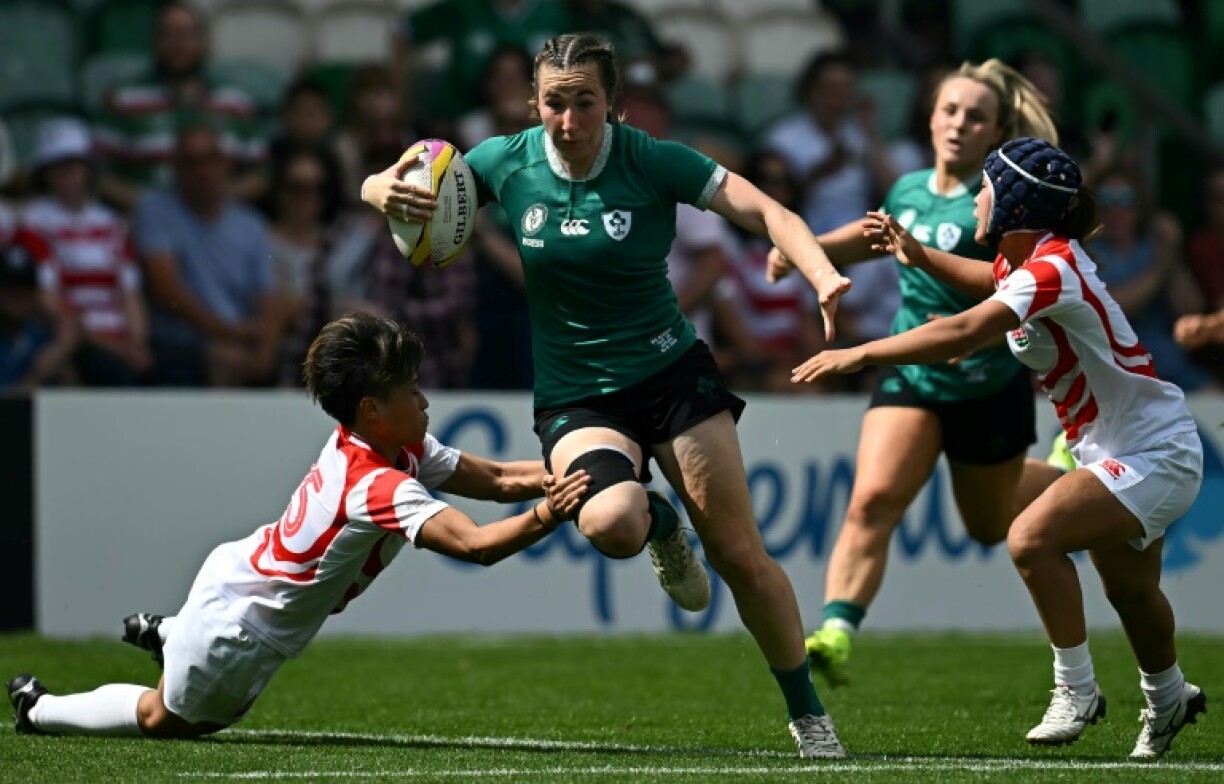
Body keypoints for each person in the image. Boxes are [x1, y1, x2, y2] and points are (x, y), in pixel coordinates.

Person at [360, 33, 853, 758]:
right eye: (554, 103)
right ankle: (659, 525)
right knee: (612, 523)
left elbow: (766, 211)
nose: (568, 119)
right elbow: (388, 182)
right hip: (577, 394)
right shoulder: (505, 160)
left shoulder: (651, 159)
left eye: (584, 102)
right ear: (534, 103)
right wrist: (384, 188)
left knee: (739, 554)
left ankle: (808, 714)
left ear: (613, 105)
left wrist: (822, 274)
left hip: (672, 374)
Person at [795, 137, 1207, 760]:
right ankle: (1170, 696)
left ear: (1013, 202)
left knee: (1029, 538)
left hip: (1156, 450)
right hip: (1117, 447)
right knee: (1132, 593)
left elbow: (964, 326)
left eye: (985, 189)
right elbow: (983, 281)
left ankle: (1077, 690)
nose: (976, 201)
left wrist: (860, 354)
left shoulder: (1051, 268)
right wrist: (920, 256)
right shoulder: (1028, 262)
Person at [7, 313, 591, 739]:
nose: (424, 399)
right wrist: (552, 511)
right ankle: (40, 711)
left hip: (234, 572)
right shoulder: (376, 485)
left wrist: (585, 468)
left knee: (179, 686)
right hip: (238, 636)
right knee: (166, 720)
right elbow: (477, 545)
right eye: (409, 390)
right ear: (371, 408)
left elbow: (494, 477)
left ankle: (167, 634)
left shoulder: (380, 443)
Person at [768, 59, 1061, 686]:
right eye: (949, 110)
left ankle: (1059, 475)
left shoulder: (1003, 204)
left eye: (974, 115)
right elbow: (872, 236)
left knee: (988, 526)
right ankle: (836, 632)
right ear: (930, 118)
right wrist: (799, 253)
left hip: (988, 384)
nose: (959, 123)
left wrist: (970, 327)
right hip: (912, 374)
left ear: (996, 130)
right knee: (872, 500)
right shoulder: (908, 188)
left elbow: (1011, 283)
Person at [134, 125, 278, 387]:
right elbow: (165, 289)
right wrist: (224, 331)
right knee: (221, 358)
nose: (201, 171)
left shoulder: (252, 225)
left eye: (208, 160)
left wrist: (265, 353)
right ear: (176, 169)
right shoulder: (155, 209)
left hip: (239, 338)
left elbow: (268, 296)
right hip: (180, 343)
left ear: (225, 164)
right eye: (190, 162)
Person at [93, 1, 263, 210]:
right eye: (169, 34)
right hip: (145, 222)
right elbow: (100, 176)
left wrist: (216, 202)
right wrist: (151, 207)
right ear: (155, 41)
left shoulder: (235, 102)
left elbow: (261, 175)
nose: (179, 43)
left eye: (187, 34)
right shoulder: (123, 99)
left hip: (219, 221)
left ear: (204, 42)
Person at [22, 119, 150, 387]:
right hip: (74, 339)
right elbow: (49, 301)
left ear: (89, 169)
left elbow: (129, 293)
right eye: (59, 165)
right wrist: (115, 348)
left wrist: (136, 342)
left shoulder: (111, 223)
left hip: (118, 340)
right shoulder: (33, 223)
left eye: (75, 164)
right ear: (44, 172)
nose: (68, 173)